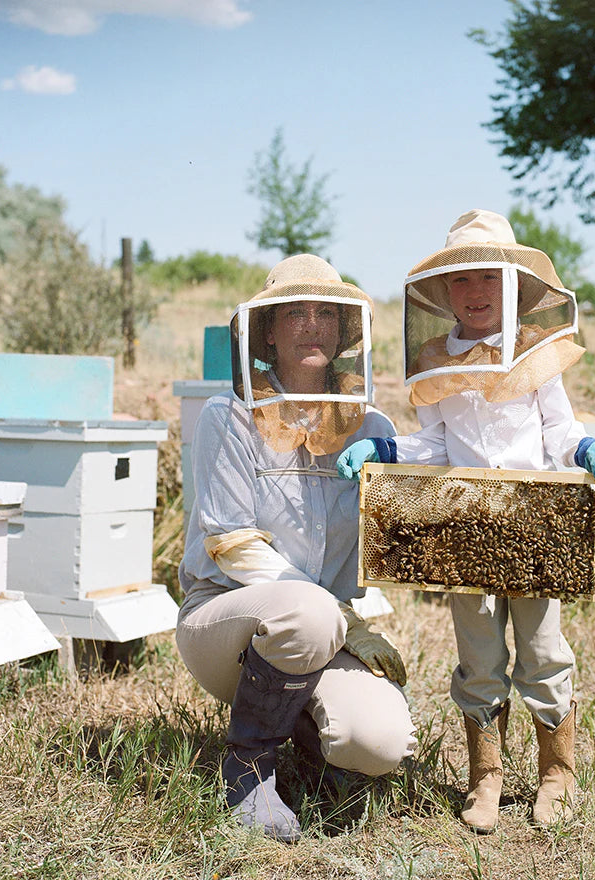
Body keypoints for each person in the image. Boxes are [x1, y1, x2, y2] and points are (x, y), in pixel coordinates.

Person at [337, 209, 595, 832]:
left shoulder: (536, 353)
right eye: (462, 281)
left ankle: (557, 772)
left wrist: (587, 451)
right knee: (479, 653)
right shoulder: (439, 359)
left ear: (514, 286)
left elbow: (560, 431)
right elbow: (435, 445)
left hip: (536, 520)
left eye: (488, 279)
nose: (475, 292)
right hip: (464, 525)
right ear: (444, 293)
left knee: (543, 648)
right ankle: (486, 777)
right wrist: (385, 451)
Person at [177, 254, 416, 843]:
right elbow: (232, 546)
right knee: (306, 612)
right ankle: (249, 769)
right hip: (227, 621)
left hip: (327, 627)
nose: (312, 325)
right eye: (295, 313)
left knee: (381, 743)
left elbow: (400, 531)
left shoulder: (371, 427)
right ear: (268, 330)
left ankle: (312, 748)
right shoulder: (228, 416)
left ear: (342, 331)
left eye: (325, 314)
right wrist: (339, 616)